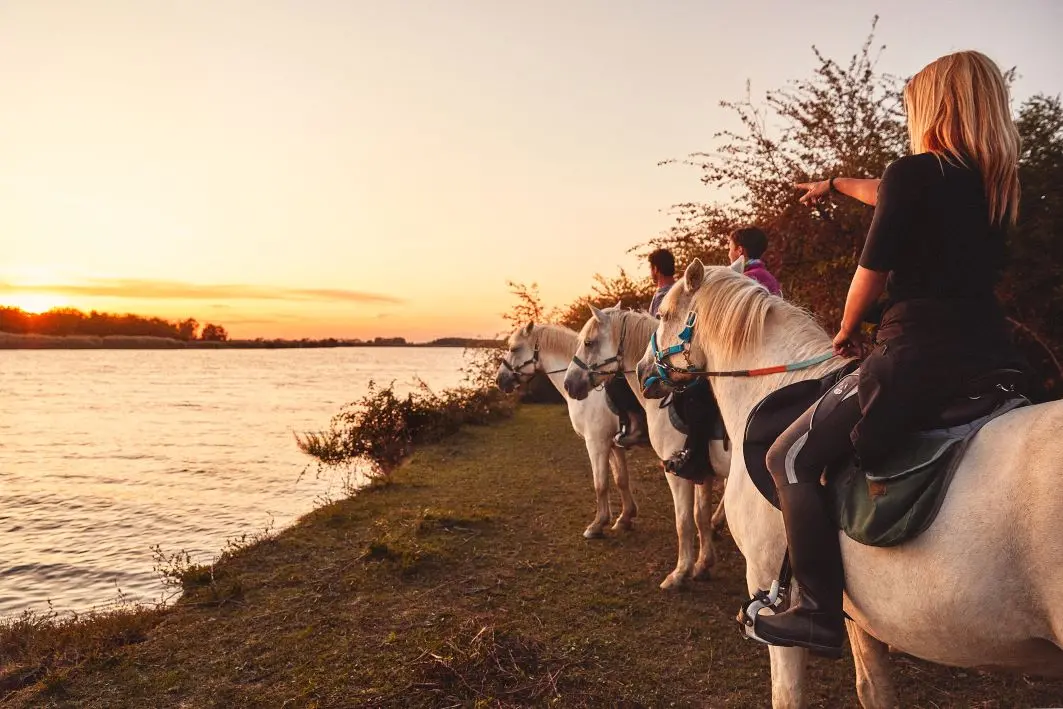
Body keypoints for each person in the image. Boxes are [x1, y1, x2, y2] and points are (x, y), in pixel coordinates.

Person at [753, 50, 1027, 657]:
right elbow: (883, 192)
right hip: (991, 352)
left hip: (918, 353)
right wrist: (831, 184)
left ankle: (818, 612)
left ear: (934, 107)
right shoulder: (993, 183)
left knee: (789, 457)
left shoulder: (915, 171)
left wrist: (848, 329)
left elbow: (869, 274)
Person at [609, 249, 677, 447]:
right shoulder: (674, 291)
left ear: (655, 269)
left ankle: (638, 426)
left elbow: (656, 331)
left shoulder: (664, 295)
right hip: (660, 353)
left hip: (659, 356)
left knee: (616, 382)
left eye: (651, 268)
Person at [728, 226, 782, 296]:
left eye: (730, 249)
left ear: (740, 250)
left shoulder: (745, 279)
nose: (729, 254)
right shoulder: (771, 279)